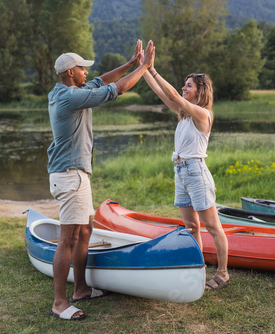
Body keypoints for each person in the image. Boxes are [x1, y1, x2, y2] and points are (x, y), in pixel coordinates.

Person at [48, 40, 155, 321]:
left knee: (85, 231)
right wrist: (144, 68)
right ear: (71, 72)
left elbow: (100, 81)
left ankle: (81, 288)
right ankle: (60, 303)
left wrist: (131, 63)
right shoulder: (70, 97)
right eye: (82, 68)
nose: (86, 72)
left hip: (76, 174)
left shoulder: (67, 90)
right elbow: (116, 89)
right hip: (70, 175)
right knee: (68, 238)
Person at [143, 63, 230, 291]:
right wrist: (143, 68)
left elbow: (171, 93)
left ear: (200, 90)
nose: (183, 88)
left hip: (196, 173)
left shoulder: (202, 114)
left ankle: (222, 274)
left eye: (188, 85)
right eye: (184, 84)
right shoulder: (183, 114)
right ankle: (197, 270)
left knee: (212, 227)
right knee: (192, 227)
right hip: (180, 172)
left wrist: (153, 69)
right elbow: (162, 93)